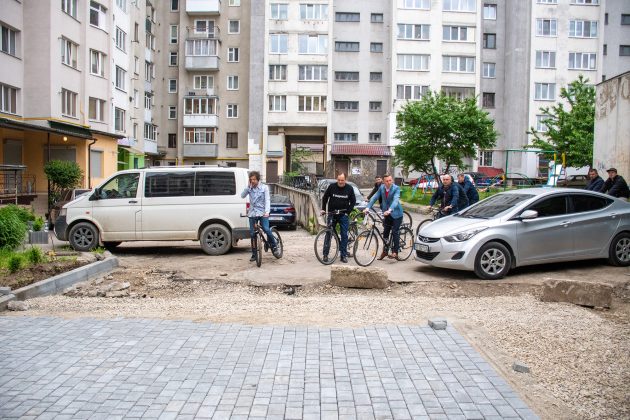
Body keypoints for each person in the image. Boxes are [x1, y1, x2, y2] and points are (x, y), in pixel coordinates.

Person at [241, 171, 280, 261]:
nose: (253, 181)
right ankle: (254, 253)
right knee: (252, 234)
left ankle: (274, 247)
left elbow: (267, 200)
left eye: (254, 179)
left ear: (258, 180)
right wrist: (248, 187)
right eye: (251, 179)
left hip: (263, 212)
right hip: (252, 213)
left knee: (266, 229)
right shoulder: (249, 188)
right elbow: (242, 196)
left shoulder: (264, 187)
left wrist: (267, 212)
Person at [364, 174, 404, 260]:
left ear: (392, 180)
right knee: (385, 233)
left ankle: (395, 252)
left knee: (394, 231)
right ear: (384, 181)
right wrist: (368, 207)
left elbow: (396, 200)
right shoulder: (382, 188)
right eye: (387, 181)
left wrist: (390, 210)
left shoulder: (396, 188)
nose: (389, 182)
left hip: (396, 213)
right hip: (386, 213)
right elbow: (375, 197)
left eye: (390, 180)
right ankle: (385, 251)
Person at [321, 173, 356, 263]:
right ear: (337, 179)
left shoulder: (349, 188)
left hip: (343, 215)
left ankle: (343, 255)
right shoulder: (332, 187)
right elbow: (325, 198)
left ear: (345, 180)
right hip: (332, 214)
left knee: (344, 235)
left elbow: (353, 201)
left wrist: (347, 212)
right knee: (328, 234)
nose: (340, 182)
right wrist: (323, 209)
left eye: (342, 180)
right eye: (339, 180)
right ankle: (325, 255)